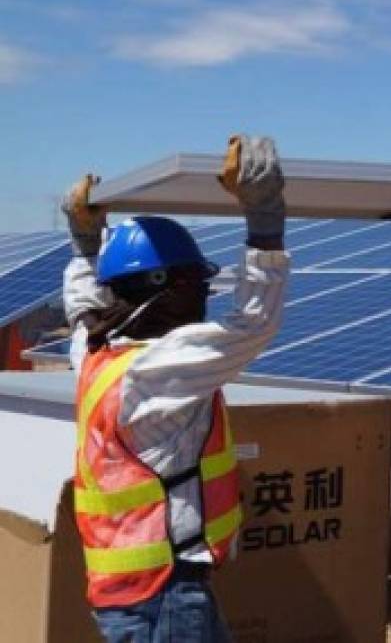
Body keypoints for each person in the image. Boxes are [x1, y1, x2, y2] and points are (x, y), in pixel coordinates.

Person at [63, 135, 289, 643]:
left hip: (140, 593)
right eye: (194, 286)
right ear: (164, 289)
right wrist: (265, 216)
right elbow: (253, 324)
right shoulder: (159, 370)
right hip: (164, 596)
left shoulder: (96, 356)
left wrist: (83, 244)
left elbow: (82, 308)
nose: (202, 299)